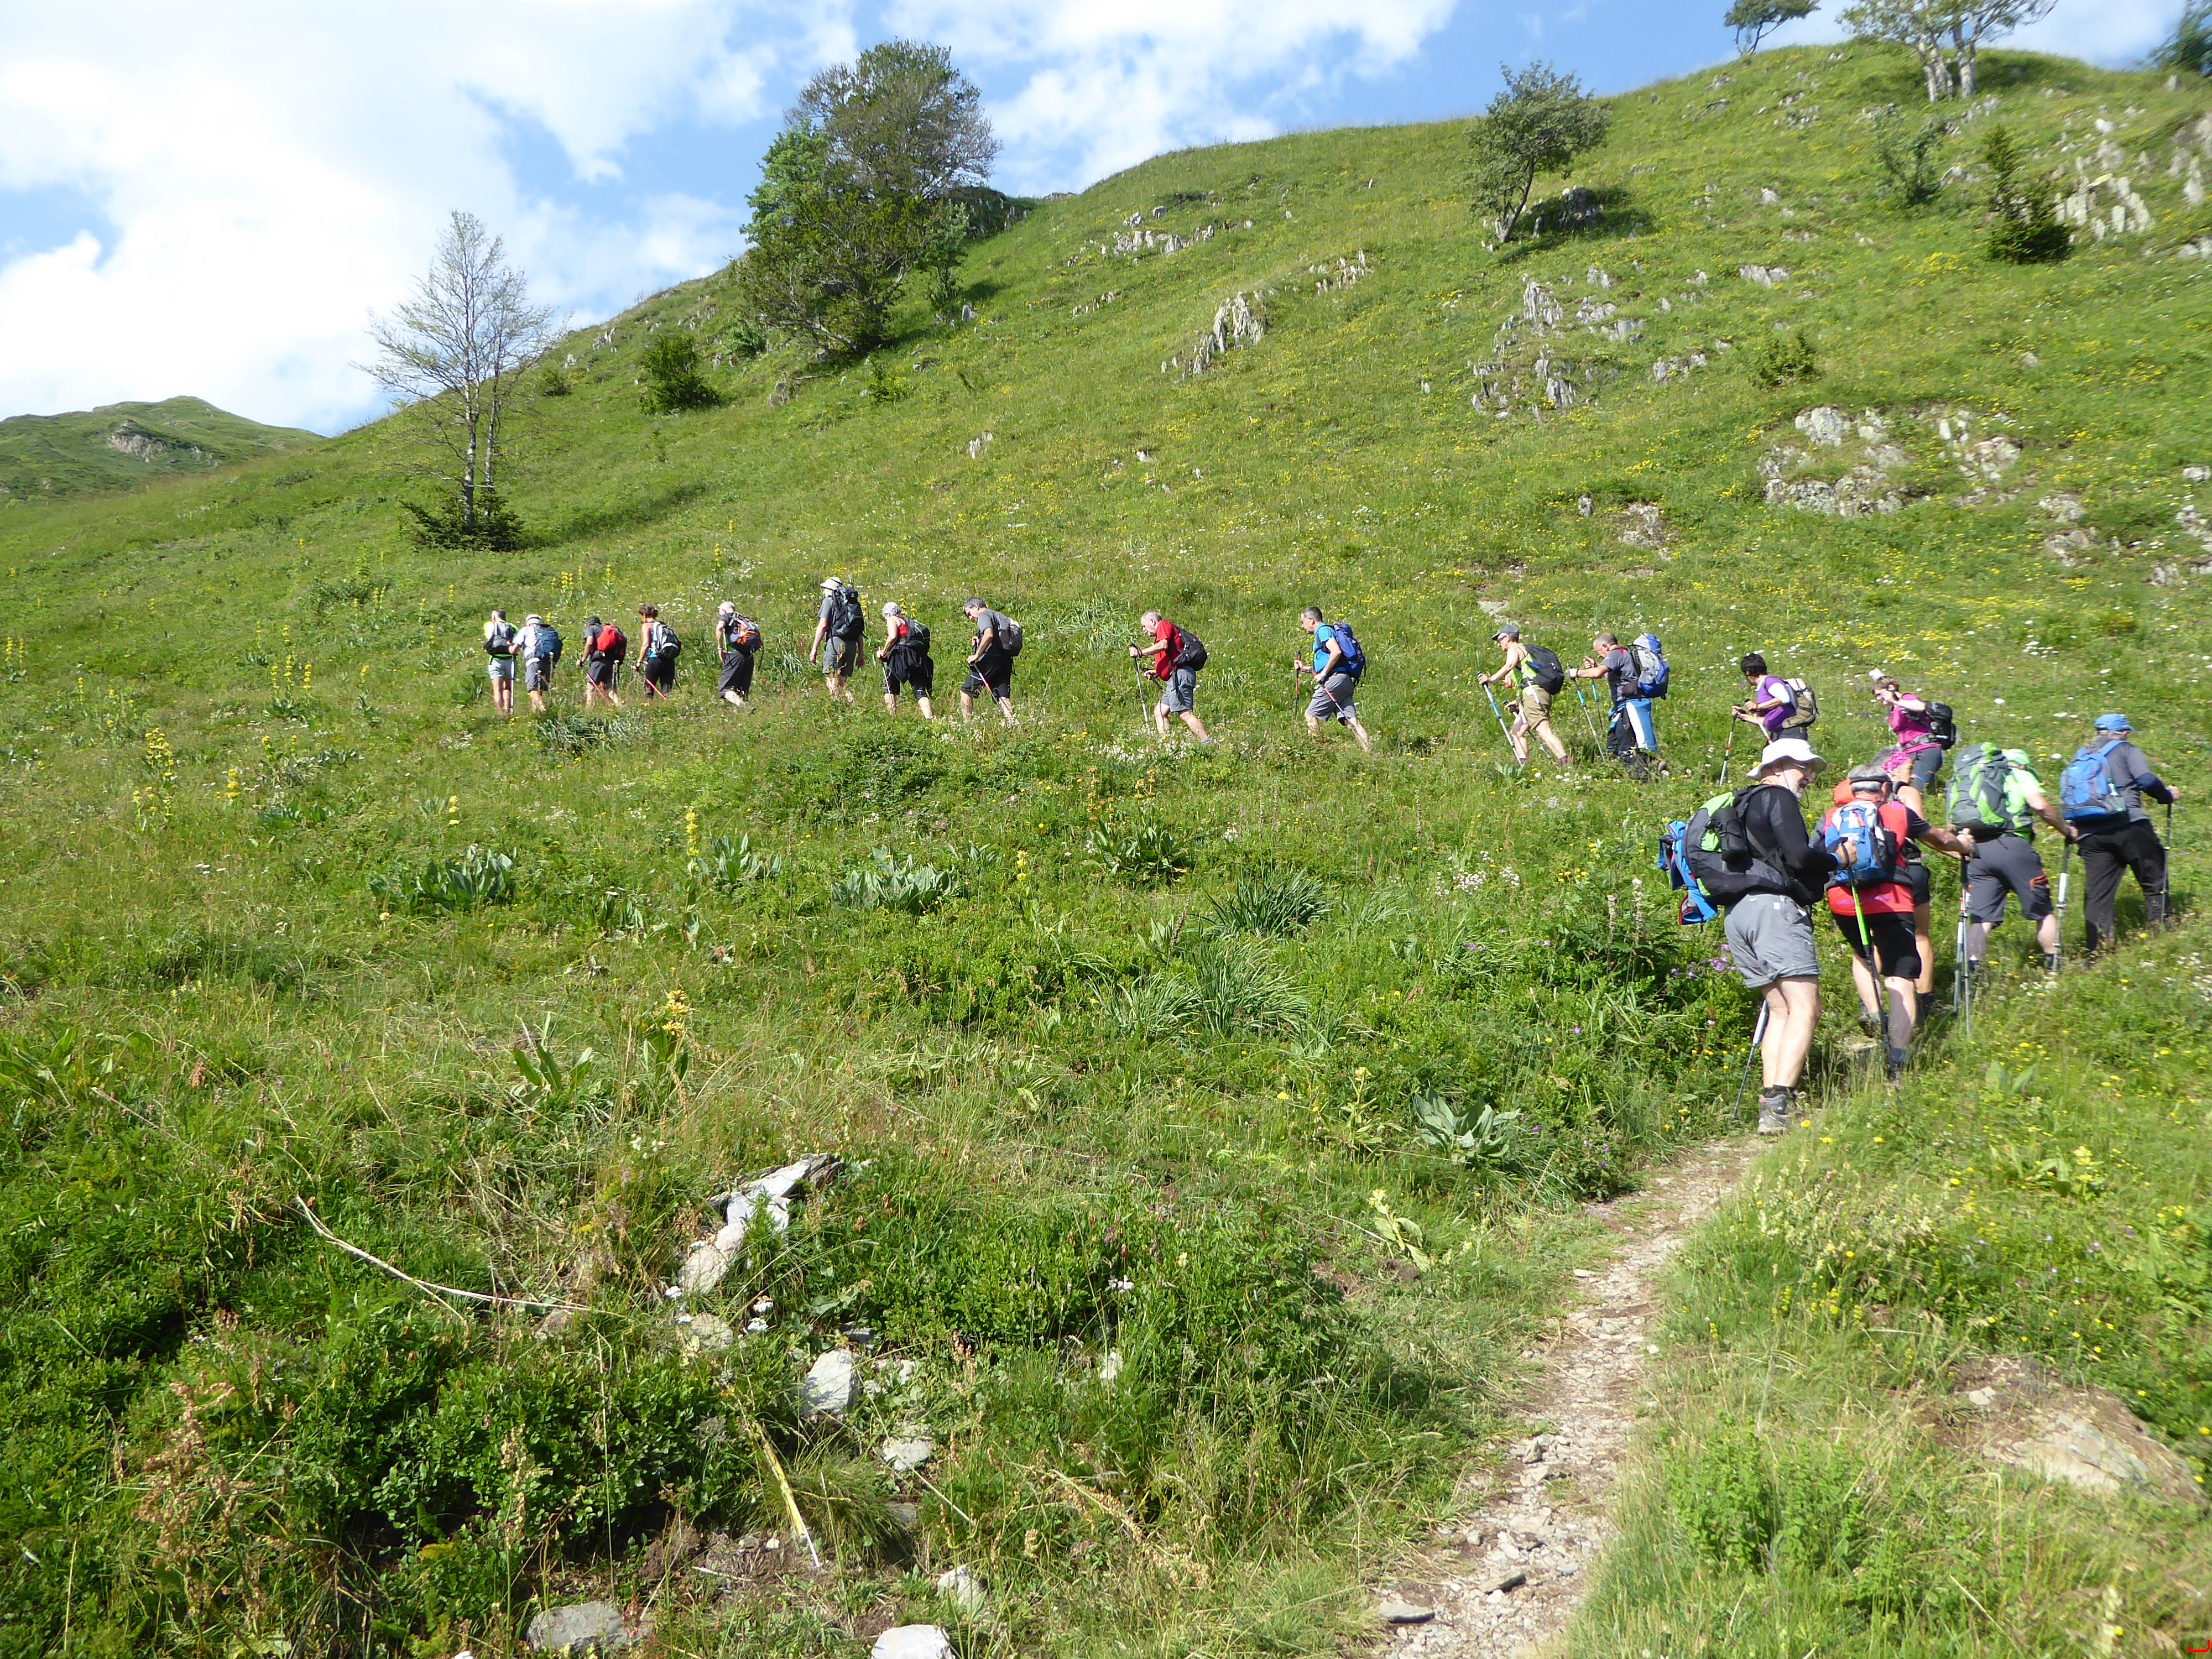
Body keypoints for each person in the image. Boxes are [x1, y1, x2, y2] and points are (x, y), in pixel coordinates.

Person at [1714, 738, 1838, 1135]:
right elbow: (1800, 857)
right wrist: (1839, 859)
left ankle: (1771, 1102)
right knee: (1806, 1007)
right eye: (1805, 767)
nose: (1810, 776)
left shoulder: (1740, 803)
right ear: (1779, 767)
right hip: (1774, 910)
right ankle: (1780, 1103)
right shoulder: (1778, 798)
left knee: (1780, 1010)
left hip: (1739, 913)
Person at [1818, 763, 1971, 1081]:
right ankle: (1898, 1059)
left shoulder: (1832, 816)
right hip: (1890, 900)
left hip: (1844, 900)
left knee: (1863, 953)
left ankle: (1875, 1014)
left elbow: (1815, 855)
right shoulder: (1898, 811)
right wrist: (1964, 846)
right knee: (1901, 975)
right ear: (1885, 788)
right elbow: (1941, 839)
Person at [1957, 745, 2076, 975]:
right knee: (2043, 910)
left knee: (1981, 919)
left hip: (1978, 851)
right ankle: (2054, 967)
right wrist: (2067, 831)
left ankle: (1971, 973)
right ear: (2023, 764)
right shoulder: (2019, 773)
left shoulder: (1976, 779)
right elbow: (2040, 805)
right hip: (2013, 846)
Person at [2069, 713, 2177, 954]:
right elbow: (2147, 780)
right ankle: (2162, 934)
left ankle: (2099, 950)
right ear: (2123, 733)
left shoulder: (2081, 756)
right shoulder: (2126, 750)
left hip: (2091, 835)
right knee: (2154, 877)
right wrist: (2167, 796)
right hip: (2129, 824)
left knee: (2098, 894)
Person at [1881, 745, 1940, 999]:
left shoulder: (1863, 795)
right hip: (1908, 867)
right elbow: (1922, 831)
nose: (1913, 775)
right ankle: (1924, 998)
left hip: (1877, 873)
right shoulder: (1906, 792)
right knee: (1920, 936)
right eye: (1909, 769)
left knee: (1877, 935)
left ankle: (1874, 1002)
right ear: (1893, 770)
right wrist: (1957, 851)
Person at [1568, 631, 1661, 777]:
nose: (1599, 655)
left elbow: (1597, 674)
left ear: (1606, 646)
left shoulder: (1616, 654)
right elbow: (1612, 674)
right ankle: (1656, 766)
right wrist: (1596, 666)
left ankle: (1643, 779)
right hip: (1626, 707)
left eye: (1598, 651)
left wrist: (1576, 672)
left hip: (1629, 707)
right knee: (1614, 747)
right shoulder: (1624, 653)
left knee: (1626, 749)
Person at [1477, 624, 1568, 768]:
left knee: (1543, 731)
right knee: (1517, 731)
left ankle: (1566, 764)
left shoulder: (1515, 649)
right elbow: (1523, 678)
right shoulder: (1524, 652)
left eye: (1499, 640)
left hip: (1534, 694)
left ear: (1507, 638)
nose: (1498, 644)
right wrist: (1518, 701)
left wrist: (1491, 679)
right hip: (1529, 696)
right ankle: (1523, 767)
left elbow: (1509, 665)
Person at [1295, 607, 1371, 753]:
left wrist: (1323, 674)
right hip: (1344, 681)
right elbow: (1327, 664)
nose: (1302, 626)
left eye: (1303, 622)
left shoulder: (1323, 631)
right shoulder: (1325, 633)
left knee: (1310, 715)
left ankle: (1317, 754)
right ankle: (1371, 754)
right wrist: (1303, 668)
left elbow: (1336, 652)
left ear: (1311, 620)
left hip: (1334, 681)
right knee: (1351, 722)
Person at [1131, 610, 1211, 743]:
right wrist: (1158, 672)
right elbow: (1173, 656)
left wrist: (1140, 653)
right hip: (1174, 677)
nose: (1144, 630)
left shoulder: (1163, 626)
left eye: (1144, 626)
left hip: (1179, 676)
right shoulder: (1163, 633)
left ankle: (1207, 742)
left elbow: (1164, 645)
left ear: (1153, 621)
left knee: (1185, 713)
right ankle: (1168, 745)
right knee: (1160, 712)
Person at [1870, 673, 1948, 796]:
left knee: (1916, 789)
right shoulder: (1895, 709)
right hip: (1907, 752)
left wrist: (1895, 700)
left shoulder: (1906, 699)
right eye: (1876, 696)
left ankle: (1926, 801)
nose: (1879, 699)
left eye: (1880, 694)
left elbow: (1920, 707)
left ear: (1891, 688)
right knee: (1889, 781)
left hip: (1926, 750)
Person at [959, 598, 1019, 725]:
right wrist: (979, 640)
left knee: (966, 691)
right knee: (1002, 696)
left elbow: (989, 635)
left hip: (990, 661)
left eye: (970, 613)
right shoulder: (999, 615)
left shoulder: (984, 615)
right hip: (1005, 661)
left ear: (976, 606)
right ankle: (1013, 723)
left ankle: (967, 726)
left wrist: (976, 655)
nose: (970, 618)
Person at [809, 577, 863, 705]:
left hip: (836, 643)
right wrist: (861, 653)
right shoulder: (852, 604)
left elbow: (823, 626)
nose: (823, 591)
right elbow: (859, 631)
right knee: (842, 681)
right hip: (852, 645)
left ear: (830, 590)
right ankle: (850, 705)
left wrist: (814, 648)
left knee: (832, 678)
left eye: (824, 589)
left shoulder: (829, 601)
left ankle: (841, 706)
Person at [878, 602, 936, 719]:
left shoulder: (892, 619)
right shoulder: (908, 622)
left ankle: (892, 718)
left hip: (900, 656)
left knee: (889, 687)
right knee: (920, 690)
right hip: (917, 657)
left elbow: (893, 637)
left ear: (888, 614)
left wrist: (883, 652)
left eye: (885, 619)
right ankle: (930, 719)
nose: (886, 621)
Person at [1733, 653, 1796, 741]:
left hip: (1790, 734)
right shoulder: (1764, 686)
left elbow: (1784, 698)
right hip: (1781, 735)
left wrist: (1758, 706)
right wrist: (1742, 716)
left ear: (1748, 673)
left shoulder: (1770, 681)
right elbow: (1765, 721)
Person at [715, 602, 760, 708]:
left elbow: (720, 628)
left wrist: (720, 648)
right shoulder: (745, 619)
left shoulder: (728, 616)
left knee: (725, 689)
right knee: (742, 691)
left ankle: (745, 708)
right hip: (749, 656)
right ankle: (744, 714)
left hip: (736, 655)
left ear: (724, 611)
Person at [518, 613, 561, 713]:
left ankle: (545, 712)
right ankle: (536, 716)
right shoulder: (548, 632)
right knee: (539, 691)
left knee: (533, 691)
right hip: (549, 662)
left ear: (528, 623)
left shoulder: (527, 629)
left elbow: (515, 648)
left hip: (533, 661)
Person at [582, 614, 625, 709]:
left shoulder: (591, 628)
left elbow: (590, 642)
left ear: (588, 623)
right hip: (612, 662)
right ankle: (622, 709)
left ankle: (588, 713)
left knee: (591, 688)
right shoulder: (607, 629)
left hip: (598, 662)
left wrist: (583, 660)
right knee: (611, 691)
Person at [637, 605, 678, 700]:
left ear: (644, 615)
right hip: (669, 660)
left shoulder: (647, 626)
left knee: (649, 690)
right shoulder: (664, 626)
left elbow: (646, 644)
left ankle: (648, 707)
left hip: (655, 659)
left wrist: (639, 662)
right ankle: (669, 707)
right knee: (667, 691)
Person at [484, 608, 518, 716]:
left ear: (494, 617)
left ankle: (501, 714)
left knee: (497, 689)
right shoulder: (513, 627)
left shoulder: (489, 625)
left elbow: (489, 638)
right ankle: (508, 711)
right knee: (508, 687)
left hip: (496, 660)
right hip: (510, 660)